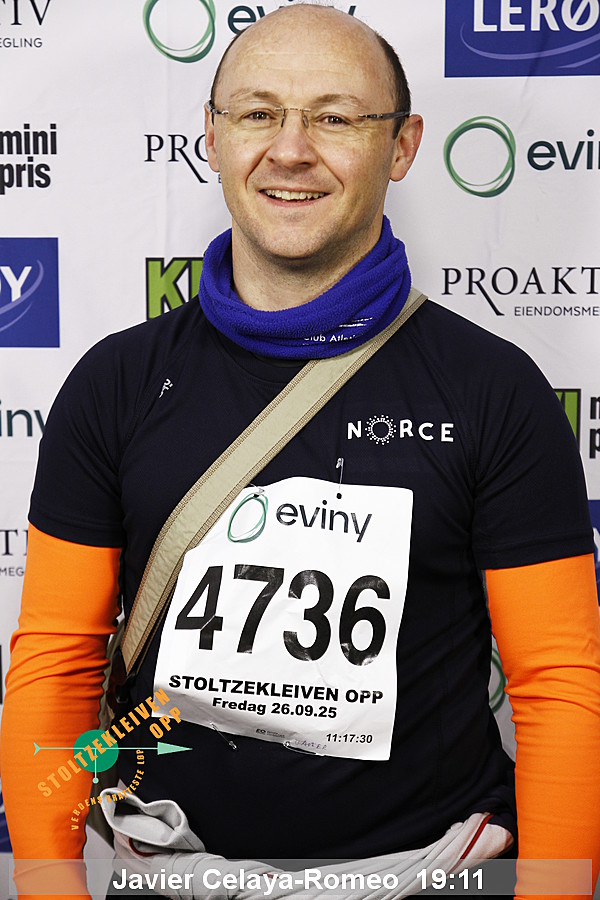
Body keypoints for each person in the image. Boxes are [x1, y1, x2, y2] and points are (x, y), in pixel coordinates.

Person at [2, 4, 600, 899]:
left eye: (335, 117)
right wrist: (49, 885)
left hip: (428, 875)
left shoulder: (493, 390)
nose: (290, 149)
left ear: (401, 147)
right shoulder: (116, 384)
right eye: (258, 113)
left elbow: (558, 687)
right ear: (213, 137)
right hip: (173, 872)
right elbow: (56, 665)